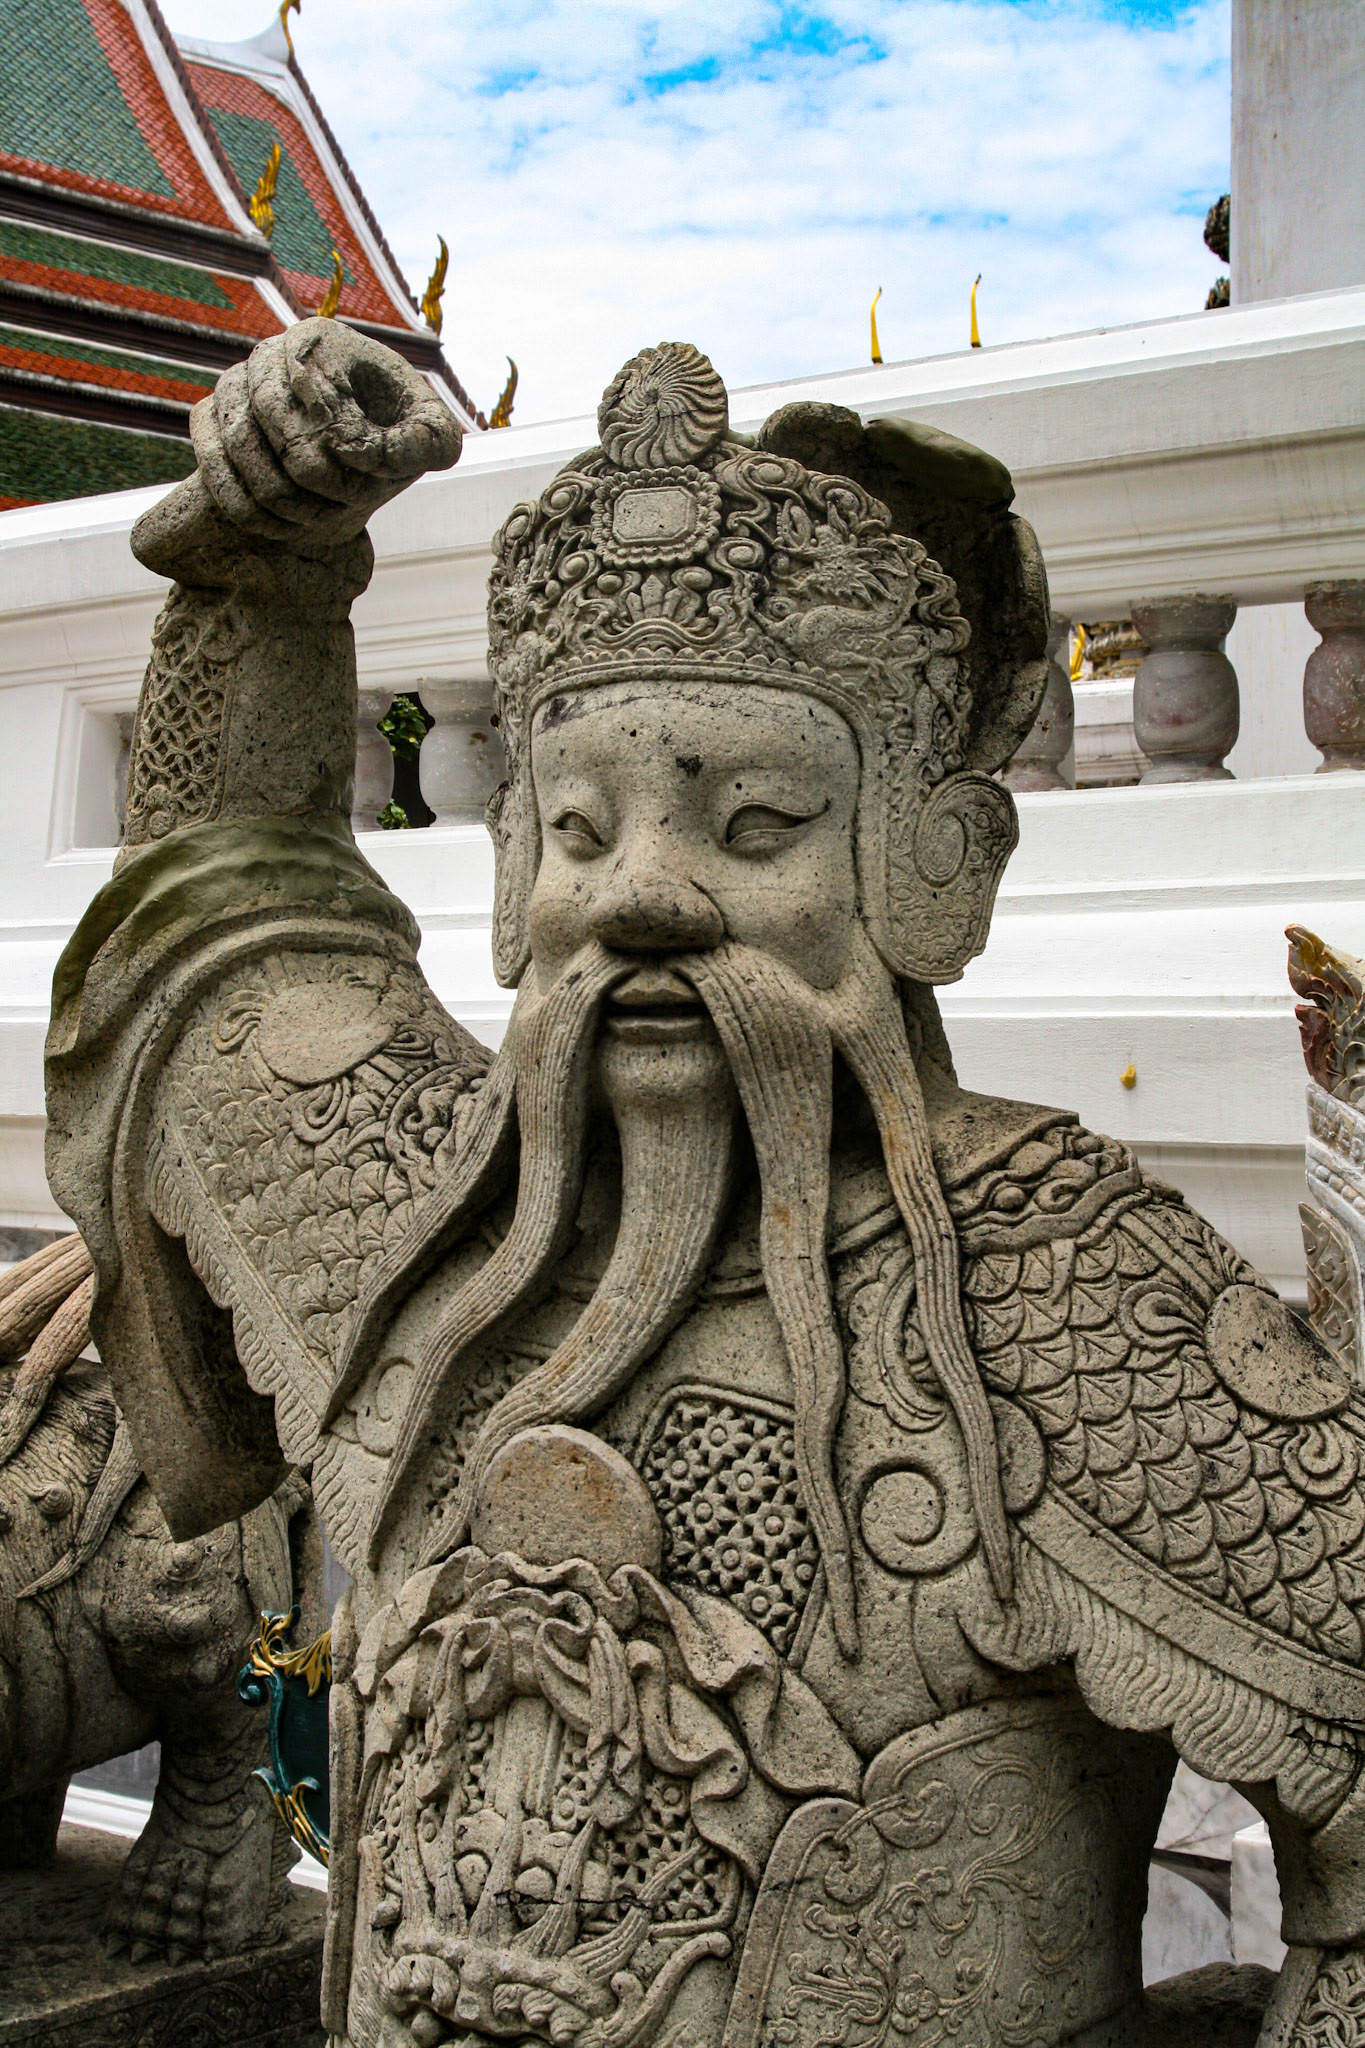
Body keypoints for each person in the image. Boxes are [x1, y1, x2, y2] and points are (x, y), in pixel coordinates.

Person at [46, 323, 1365, 2048]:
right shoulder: (418, 1237)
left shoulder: (1050, 1294)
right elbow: (227, 910)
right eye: (581, 833)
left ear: (930, 866)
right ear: (517, 865)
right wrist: (263, 569)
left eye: (754, 827)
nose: (639, 899)